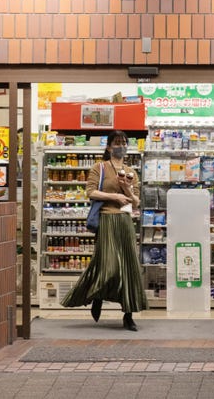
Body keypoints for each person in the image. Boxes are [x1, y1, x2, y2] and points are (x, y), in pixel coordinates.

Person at [61, 130, 147, 331]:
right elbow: (90, 192)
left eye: (124, 142)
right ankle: (97, 294)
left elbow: (136, 202)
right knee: (109, 265)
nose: (121, 146)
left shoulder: (130, 171)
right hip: (107, 219)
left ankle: (128, 314)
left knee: (129, 267)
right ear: (109, 147)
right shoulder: (99, 168)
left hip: (125, 221)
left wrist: (126, 189)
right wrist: (114, 197)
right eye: (117, 142)